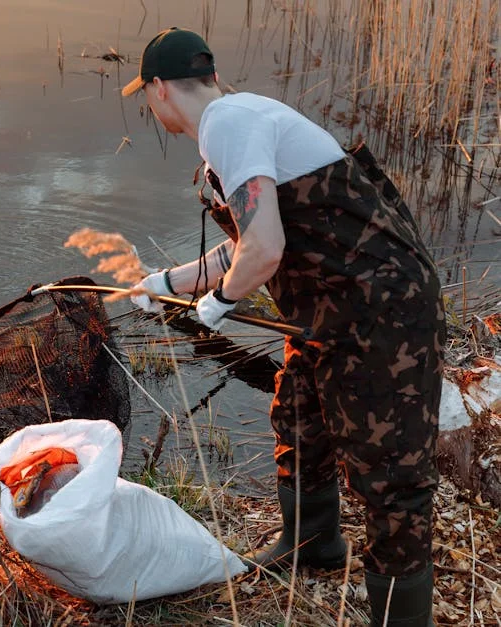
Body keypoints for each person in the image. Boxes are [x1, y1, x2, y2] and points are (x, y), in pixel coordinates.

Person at [123, 28, 445, 627]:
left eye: (145, 94)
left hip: (383, 315)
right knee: (298, 415)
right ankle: (313, 545)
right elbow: (249, 242)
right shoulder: (239, 120)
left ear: (159, 89)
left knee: (391, 481)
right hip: (331, 310)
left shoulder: (228, 124)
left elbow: (265, 249)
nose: (149, 104)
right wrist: (166, 282)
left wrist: (219, 303)